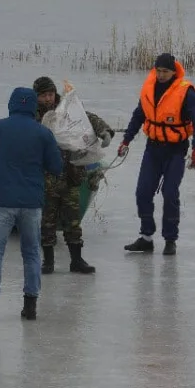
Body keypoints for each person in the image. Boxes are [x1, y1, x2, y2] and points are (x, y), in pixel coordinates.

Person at [0, 87, 63, 322]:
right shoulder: (43, 133)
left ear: (11, 105)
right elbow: (56, 168)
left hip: (0, 201)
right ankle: (30, 307)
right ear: (33, 107)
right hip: (32, 203)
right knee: (31, 254)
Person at [117, 53, 195, 256]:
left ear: (174, 72)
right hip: (153, 148)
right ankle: (146, 237)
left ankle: (170, 239)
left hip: (176, 149)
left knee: (170, 193)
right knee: (142, 192)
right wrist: (126, 139)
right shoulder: (149, 88)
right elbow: (139, 115)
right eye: (158, 71)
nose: (161, 75)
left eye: (165, 71)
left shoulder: (186, 92)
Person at [32, 76, 115, 275]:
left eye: (50, 94)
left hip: (71, 173)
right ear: (37, 96)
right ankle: (48, 261)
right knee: (47, 221)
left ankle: (76, 260)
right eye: (43, 95)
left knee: (73, 220)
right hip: (46, 177)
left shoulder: (67, 109)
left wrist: (104, 131)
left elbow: (87, 118)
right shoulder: (32, 116)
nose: (48, 98)